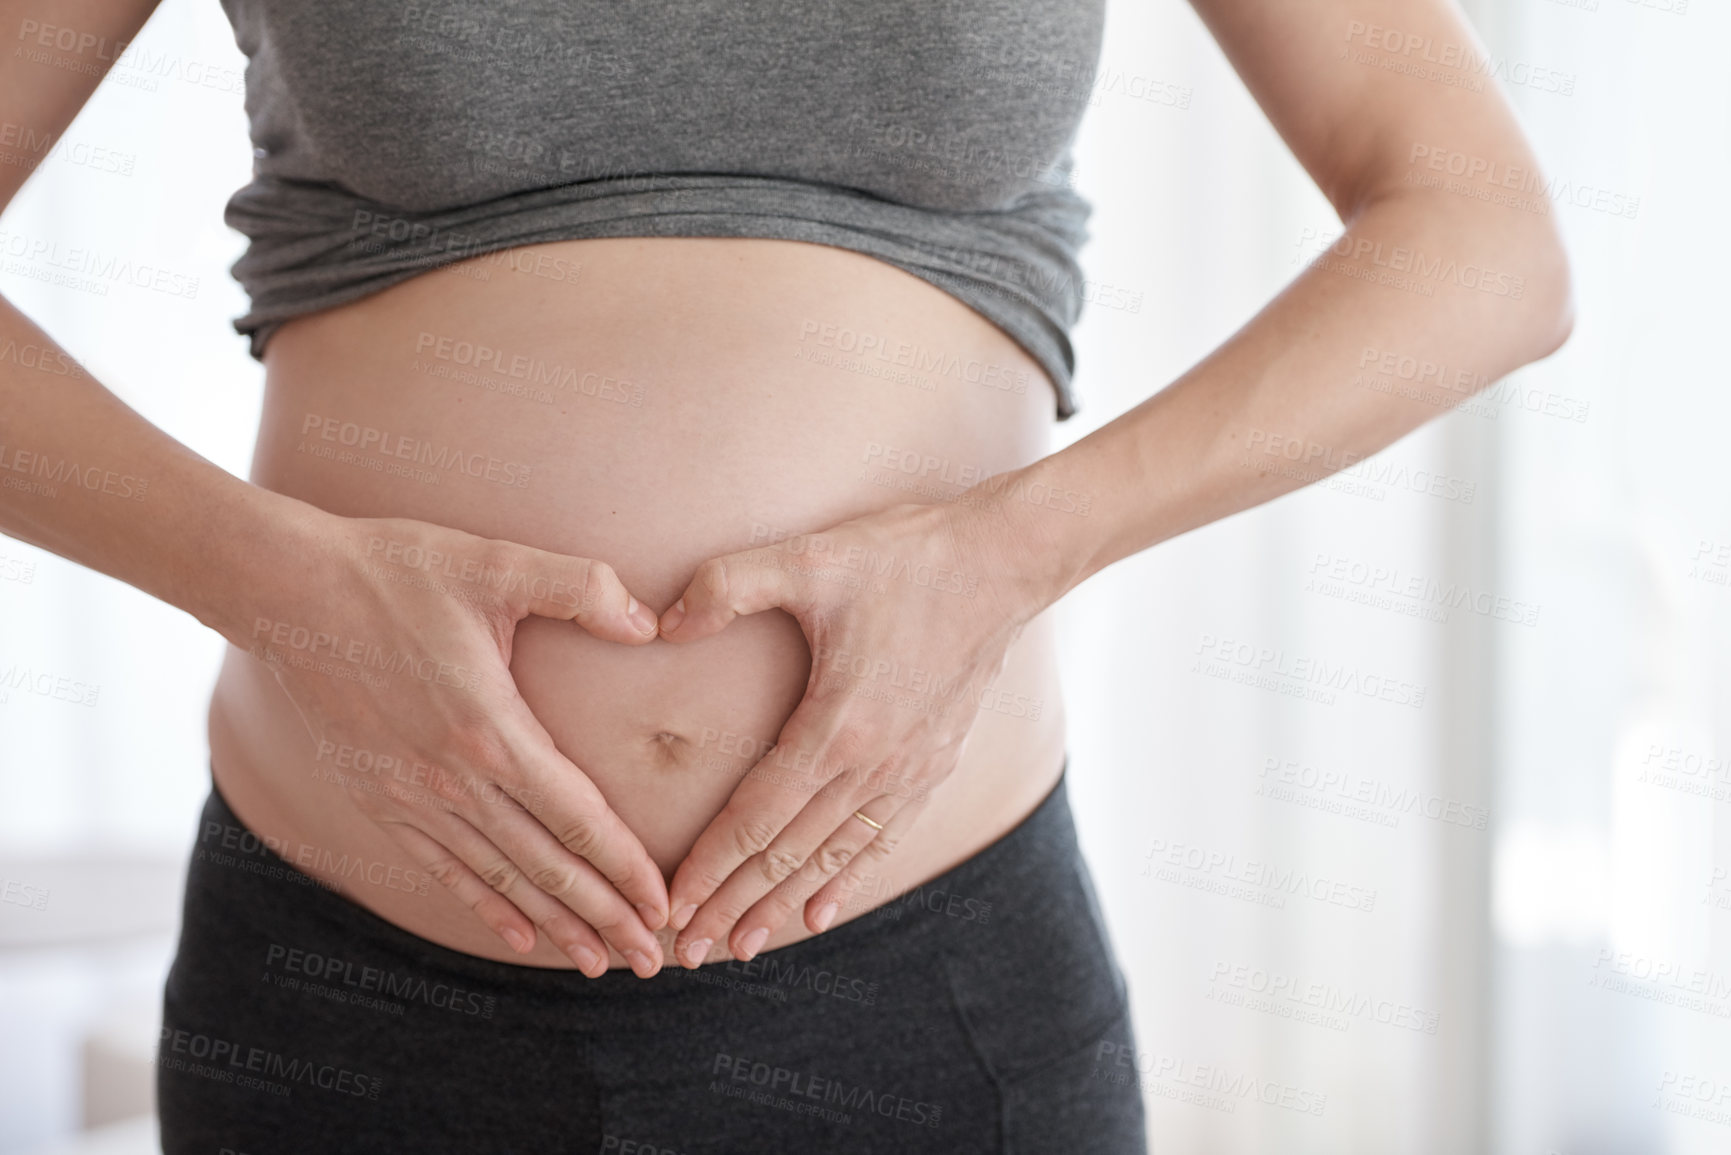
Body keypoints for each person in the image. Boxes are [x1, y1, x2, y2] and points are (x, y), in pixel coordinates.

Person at [0, 0, 1571, 1150]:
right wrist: (283, 590)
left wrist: (1012, 552)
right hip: (358, 996)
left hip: (924, 987)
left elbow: (1485, 243)